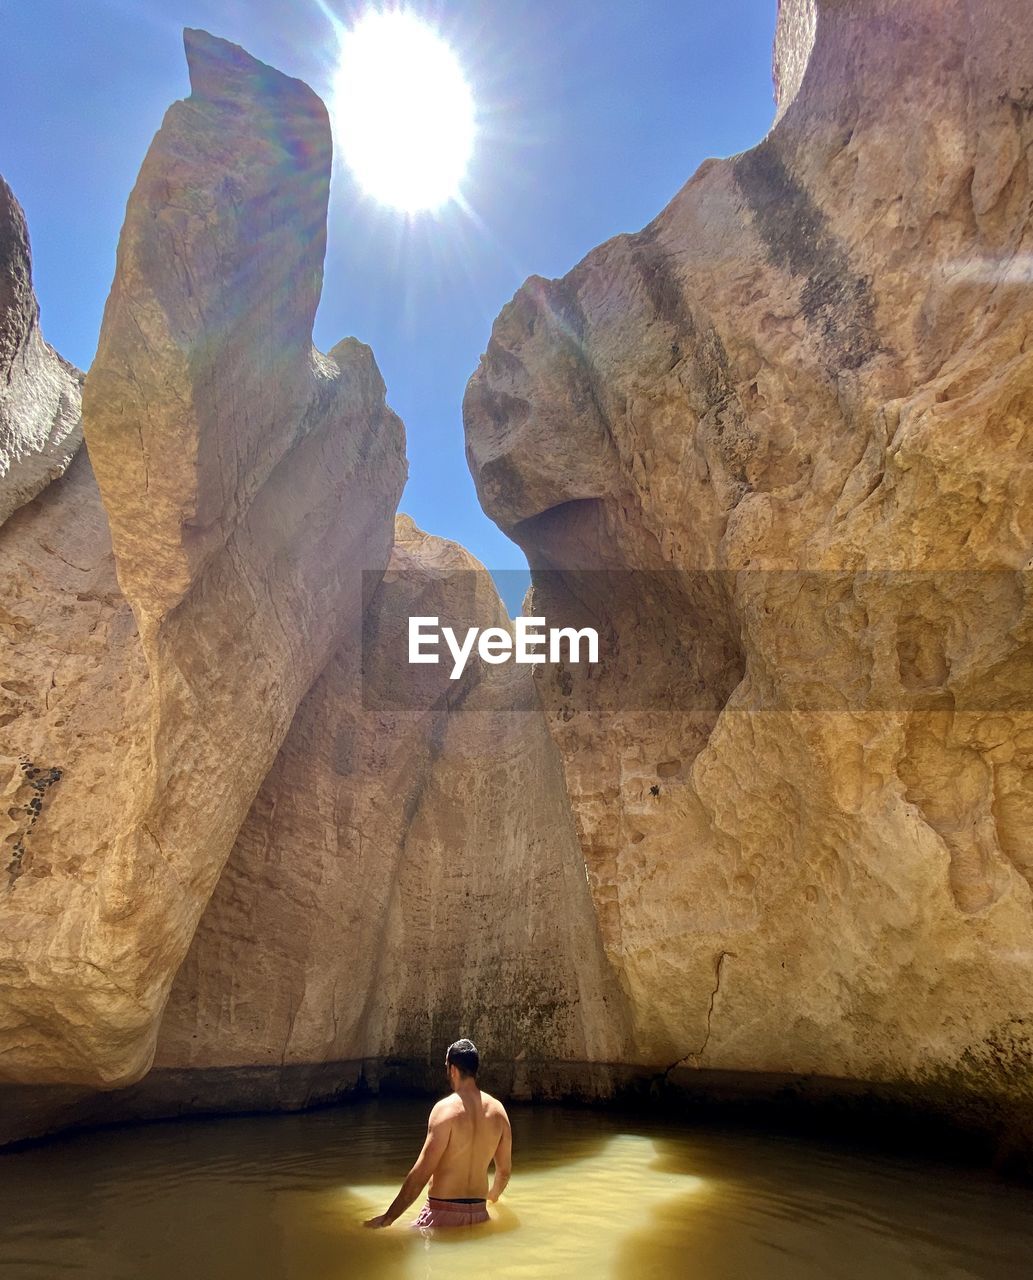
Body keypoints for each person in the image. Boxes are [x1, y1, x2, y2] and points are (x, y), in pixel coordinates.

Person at [364, 1038, 512, 1229]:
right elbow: (504, 1172)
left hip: (441, 1215)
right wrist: (492, 1198)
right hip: (480, 1215)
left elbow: (420, 1175)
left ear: (453, 1069)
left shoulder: (445, 1110)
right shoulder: (499, 1112)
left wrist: (388, 1218)